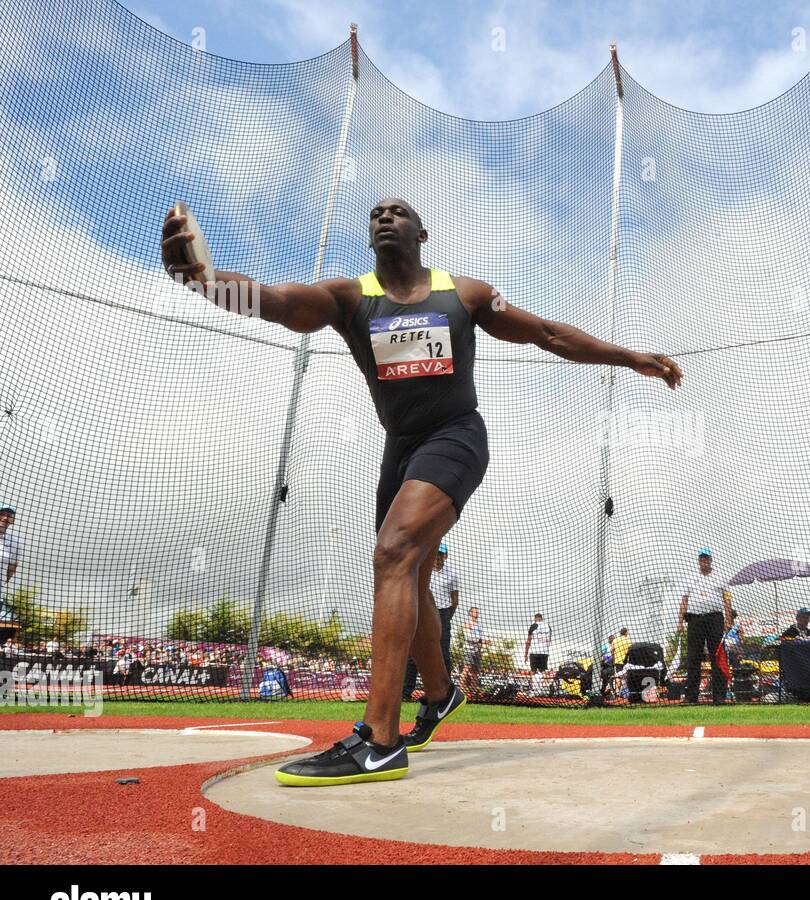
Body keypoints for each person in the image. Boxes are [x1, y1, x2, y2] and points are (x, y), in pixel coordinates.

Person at [162, 198, 681, 786]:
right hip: (401, 449)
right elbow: (275, 303)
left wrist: (629, 357)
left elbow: (548, 334)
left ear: (422, 232)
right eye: (376, 212)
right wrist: (204, 283)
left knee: (394, 555)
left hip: (456, 436)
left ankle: (379, 741)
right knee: (409, 577)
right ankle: (438, 694)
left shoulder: (465, 295)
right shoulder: (347, 298)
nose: (384, 215)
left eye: (399, 211)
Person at [401, 541, 459, 702]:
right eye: (436, 554)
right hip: (422, 612)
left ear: (445, 556)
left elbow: (455, 600)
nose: (437, 557)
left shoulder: (452, 574)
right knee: (414, 653)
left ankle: (445, 693)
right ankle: (405, 692)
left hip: (443, 613)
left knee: (443, 653)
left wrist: (446, 617)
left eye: (441, 554)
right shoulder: (423, 569)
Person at [676, 547, 733, 705]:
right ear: (698, 560)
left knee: (717, 656)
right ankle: (691, 696)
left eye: (706, 558)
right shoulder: (690, 577)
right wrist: (680, 622)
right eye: (701, 558)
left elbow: (727, 600)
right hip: (695, 621)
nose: (704, 561)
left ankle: (719, 696)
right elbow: (684, 600)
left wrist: (728, 620)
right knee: (693, 657)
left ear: (711, 560)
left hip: (715, 619)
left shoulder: (721, 577)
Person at [523, 612, 552, 695]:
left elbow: (528, 641)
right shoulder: (548, 626)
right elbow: (549, 640)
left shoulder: (533, 626)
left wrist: (525, 655)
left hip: (535, 652)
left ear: (535, 619)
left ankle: (534, 690)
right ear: (542, 619)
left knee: (533, 671)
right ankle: (546, 689)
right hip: (544, 652)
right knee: (544, 671)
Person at [0, 505, 20, 602]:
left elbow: (12, 568)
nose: (5, 518)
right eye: (2, 514)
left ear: (13, 520)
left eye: (9, 515)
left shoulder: (15, 543)